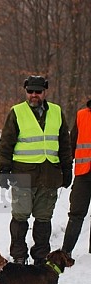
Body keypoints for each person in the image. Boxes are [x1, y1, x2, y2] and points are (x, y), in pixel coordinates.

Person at [0, 75, 72, 265]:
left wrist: (67, 169)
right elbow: (6, 143)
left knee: (43, 219)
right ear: (26, 92)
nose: (34, 95)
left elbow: (64, 144)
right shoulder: (17, 112)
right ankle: (19, 256)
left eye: (37, 92)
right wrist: (4, 169)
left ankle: (40, 257)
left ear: (44, 92)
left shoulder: (57, 112)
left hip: (50, 176)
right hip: (23, 175)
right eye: (30, 91)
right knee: (20, 217)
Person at [61, 100, 91, 258]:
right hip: (83, 174)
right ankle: (66, 253)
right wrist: (64, 167)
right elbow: (71, 144)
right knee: (76, 214)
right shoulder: (81, 115)